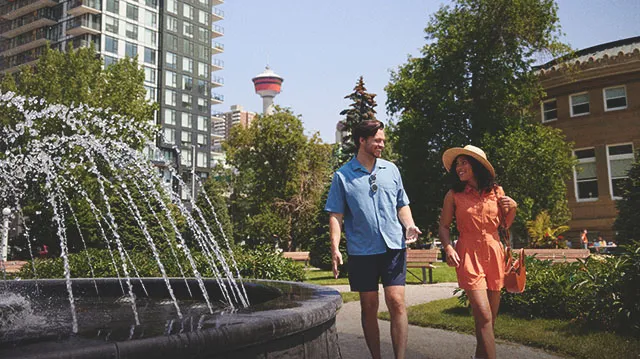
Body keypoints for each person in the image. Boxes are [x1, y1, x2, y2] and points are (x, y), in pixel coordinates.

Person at [325, 120, 421, 359]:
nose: (382, 145)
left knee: (396, 301)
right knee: (369, 307)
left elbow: (402, 204)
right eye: (377, 140)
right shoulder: (343, 176)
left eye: (383, 140)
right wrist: (335, 248)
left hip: (393, 247)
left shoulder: (391, 170)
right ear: (362, 141)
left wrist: (409, 225)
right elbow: (336, 214)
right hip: (362, 252)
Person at [438, 145, 517, 359]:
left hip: (494, 252)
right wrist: (447, 247)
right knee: (483, 316)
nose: (459, 167)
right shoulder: (454, 195)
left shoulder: (497, 192)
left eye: (464, 162)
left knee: (489, 319)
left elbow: (505, 225)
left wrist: (513, 208)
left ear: (477, 166)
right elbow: (444, 227)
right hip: (468, 254)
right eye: (457, 164)